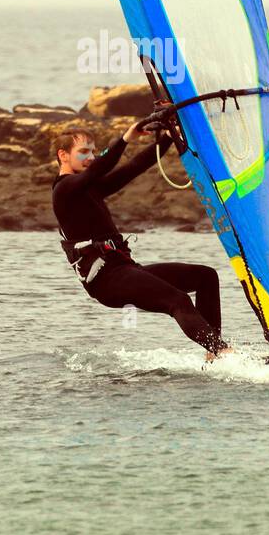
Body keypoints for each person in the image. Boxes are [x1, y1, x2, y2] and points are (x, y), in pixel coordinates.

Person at [52, 120, 234, 360]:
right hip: (106, 281)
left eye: (93, 151)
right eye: (84, 152)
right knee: (177, 299)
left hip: (125, 270)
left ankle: (214, 354)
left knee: (205, 276)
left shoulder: (90, 189)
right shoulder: (64, 190)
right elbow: (100, 168)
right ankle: (223, 351)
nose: (91, 157)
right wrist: (126, 138)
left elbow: (134, 167)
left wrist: (169, 137)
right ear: (63, 155)